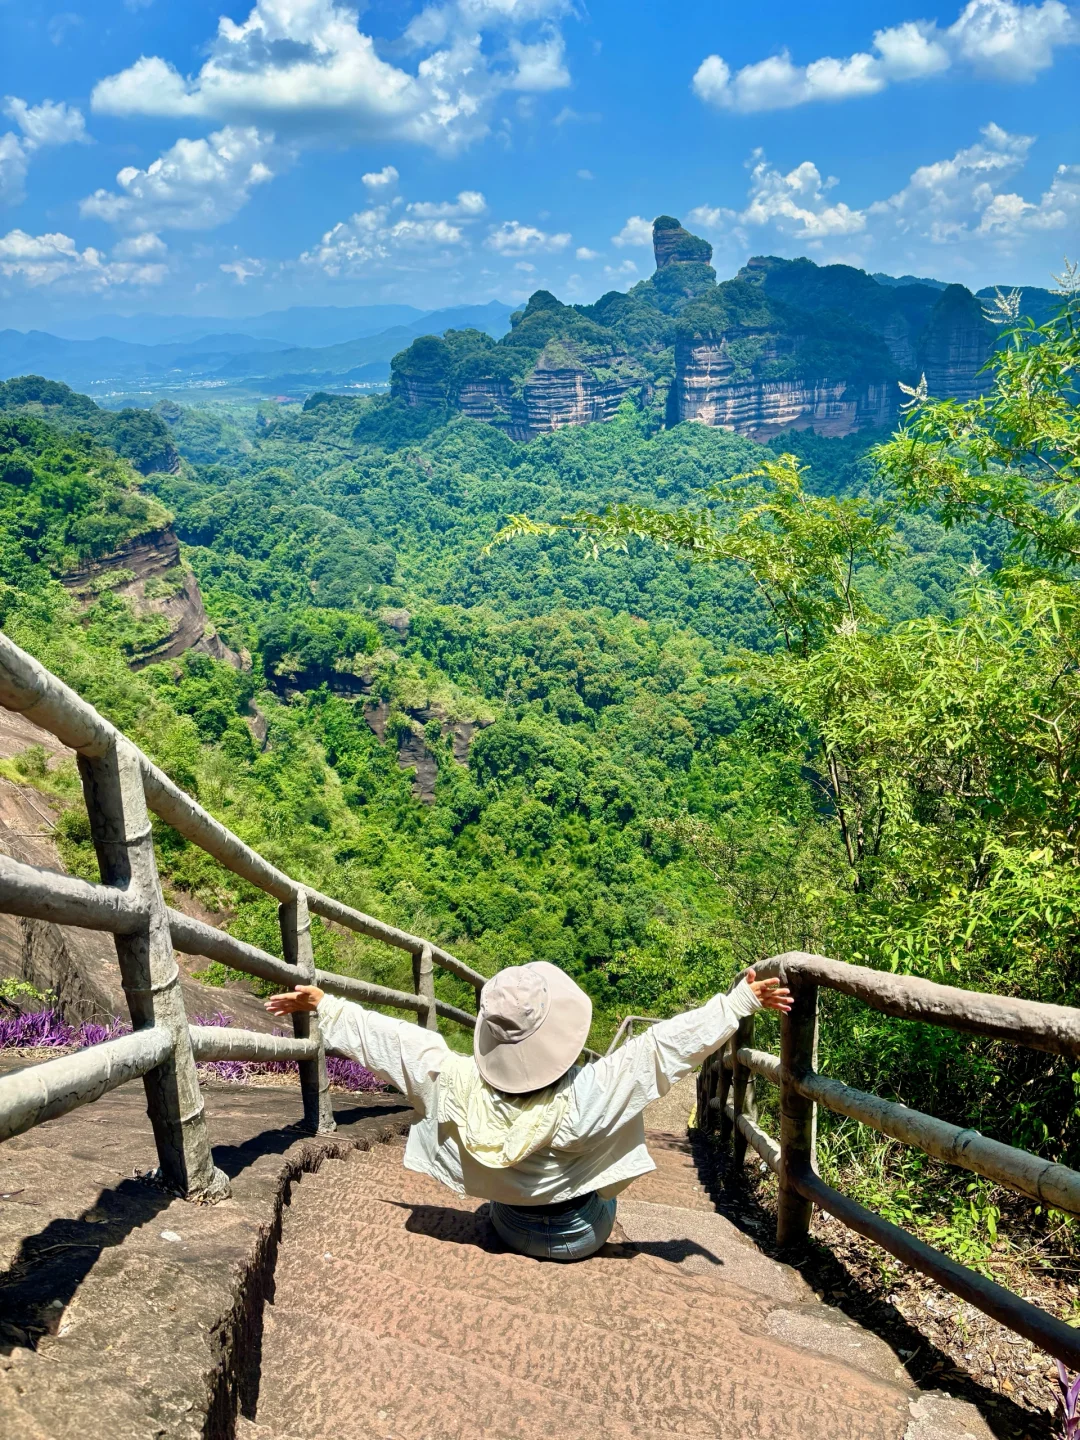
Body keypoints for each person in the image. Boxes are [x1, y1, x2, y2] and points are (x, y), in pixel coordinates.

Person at [266, 962, 792, 1263]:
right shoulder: (586, 1095)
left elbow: (392, 1043)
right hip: (581, 1235)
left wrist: (327, 1007)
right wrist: (735, 1004)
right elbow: (660, 1050)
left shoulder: (452, 1083)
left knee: (608, 1101)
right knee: (626, 1096)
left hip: (509, 1224)